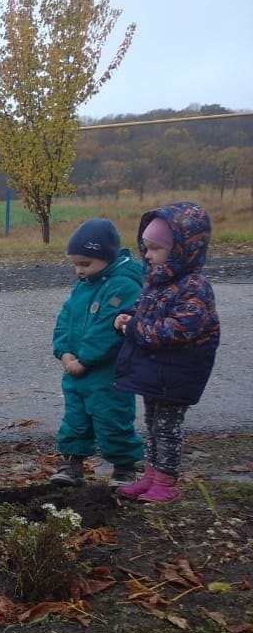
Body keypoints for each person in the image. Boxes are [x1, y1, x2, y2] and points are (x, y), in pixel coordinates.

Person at [113, 202, 221, 503]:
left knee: (168, 427)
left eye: (155, 249)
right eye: (145, 248)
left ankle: (167, 481)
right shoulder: (158, 283)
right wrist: (126, 316)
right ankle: (150, 475)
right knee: (151, 424)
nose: (146, 255)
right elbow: (143, 311)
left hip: (177, 372)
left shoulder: (195, 287)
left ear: (180, 249)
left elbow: (177, 330)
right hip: (156, 370)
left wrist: (133, 328)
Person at [50, 218, 144, 487]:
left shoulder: (123, 286)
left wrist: (85, 360)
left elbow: (108, 329)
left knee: (112, 418)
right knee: (75, 420)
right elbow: (65, 319)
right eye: (75, 264)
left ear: (107, 257)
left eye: (85, 264)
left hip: (107, 373)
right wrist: (64, 351)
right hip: (76, 369)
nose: (79, 270)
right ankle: (72, 464)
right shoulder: (84, 285)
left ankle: (124, 467)